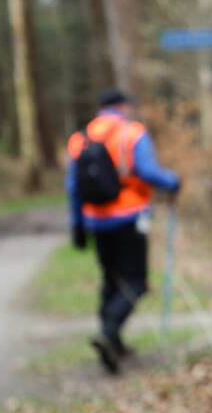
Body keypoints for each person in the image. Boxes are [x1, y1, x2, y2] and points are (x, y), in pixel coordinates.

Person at [66, 89, 180, 374]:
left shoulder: (80, 138)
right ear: (122, 107)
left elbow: (73, 187)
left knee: (111, 279)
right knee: (136, 282)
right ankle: (109, 331)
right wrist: (173, 182)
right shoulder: (131, 133)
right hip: (129, 217)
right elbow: (147, 171)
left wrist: (77, 225)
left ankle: (113, 342)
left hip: (96, 220)